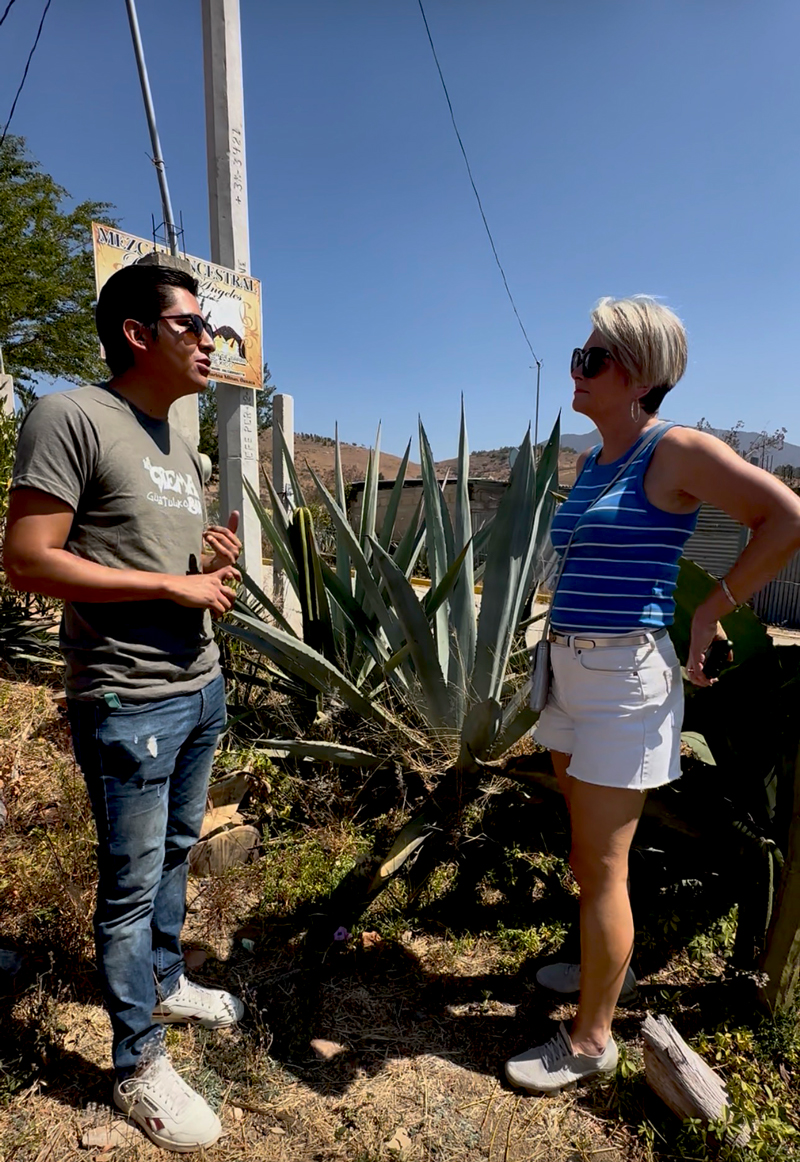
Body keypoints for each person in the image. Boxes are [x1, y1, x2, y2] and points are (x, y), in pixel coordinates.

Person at [505, 296, 800, 1093]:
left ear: (639, 375)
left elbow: (784, 517)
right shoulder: (593, 462)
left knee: (602, 865)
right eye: (580, 353)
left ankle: (593, 1039)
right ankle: (609, 971)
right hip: (567, 671)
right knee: (588, 854)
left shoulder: (674, 450)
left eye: (593, 359)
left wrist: (712, 608)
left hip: (621, 682)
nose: (577, 368)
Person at [5, 263, 245, 1151]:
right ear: (139, 334)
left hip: (199, 685)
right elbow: (28, 559)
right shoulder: (71, 416)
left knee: (180, 849)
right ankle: (138, 1061)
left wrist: (202, 560)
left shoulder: (181, 435)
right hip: (129, 694)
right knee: (131, 881)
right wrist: (167, 589)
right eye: (193, 326)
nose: (210, 341)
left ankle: (167, 976)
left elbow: (153, 558)